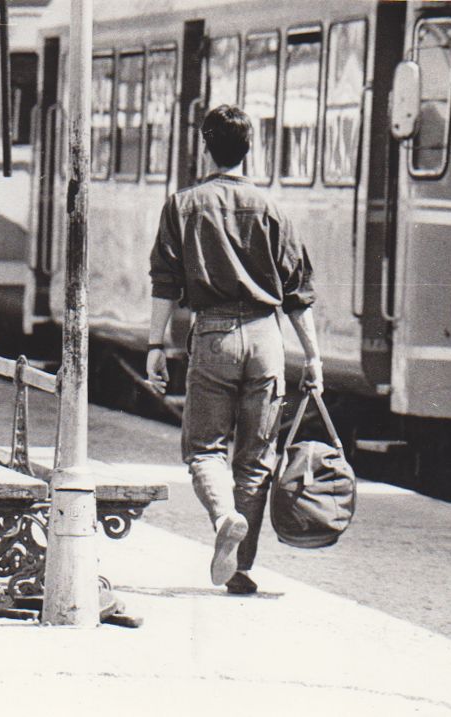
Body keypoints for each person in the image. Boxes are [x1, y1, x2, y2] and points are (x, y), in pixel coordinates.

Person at [146, 105, 323, 595]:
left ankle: (225, 517)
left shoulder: (182, 205)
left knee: (204, 448)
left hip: (214, 336)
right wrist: (312, 356)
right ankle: (241, 567)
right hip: (267, 338)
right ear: (250, 149)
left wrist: (155, 344)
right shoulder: (274, 210)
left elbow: (165, 283)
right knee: (257, 458)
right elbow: (297, 293)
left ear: (205, 146)